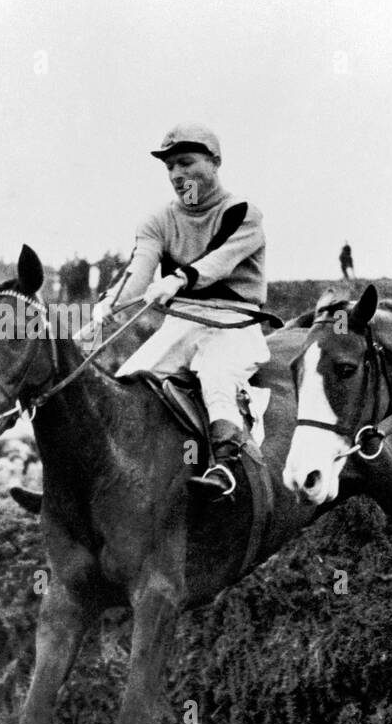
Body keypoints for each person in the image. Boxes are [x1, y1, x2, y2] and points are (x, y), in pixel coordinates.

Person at [84, 123, 269, 498]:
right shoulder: (157, 221)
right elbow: (137, 274)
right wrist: (107, 308)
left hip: (234, 320)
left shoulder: (243, 212)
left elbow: (221, 260)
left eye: (185, 163)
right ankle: (94, 484)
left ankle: (225, 468)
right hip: (180, 322)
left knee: (218, 378)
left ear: (215, 162)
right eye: (170, 167)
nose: (177, 175)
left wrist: (180, 279)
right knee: (127, 383)